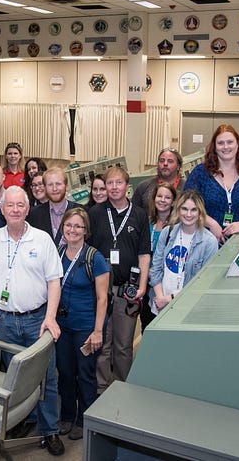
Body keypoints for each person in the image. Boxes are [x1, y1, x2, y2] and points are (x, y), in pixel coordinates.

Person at [0, 186, 65, 456]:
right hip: (4, 320)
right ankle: (25, 420)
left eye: (20, 205)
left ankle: (50, 430)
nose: (14, 210)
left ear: (27, 209)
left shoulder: (42, 239)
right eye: (10, 205)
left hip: (37, 320)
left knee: (46, 377)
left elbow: (54, 282)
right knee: (14, 378)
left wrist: (50, 317)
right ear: (2, 210)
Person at [87, 166, 151, 391]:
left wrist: (142, 286)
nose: (114, 188)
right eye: (110, 184)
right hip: (101, 290)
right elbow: (88, 251)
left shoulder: (140, 215)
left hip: (127, 290)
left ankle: (124, 389)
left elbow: (144, 254)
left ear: (127, 186)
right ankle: (102, 389)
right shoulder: (95, 214)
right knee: (102, 343)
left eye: (118, 183)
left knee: (123, 345)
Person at [55, 207, 110, 441]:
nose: (72, 230)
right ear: (63, 227)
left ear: (85, 230)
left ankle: (83, 418)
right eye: (69, 225)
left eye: (78, 226)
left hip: (86, 328)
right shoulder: (57, 253)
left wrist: (98, 331)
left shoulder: (94, 258)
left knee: (85, 374)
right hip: (62, 326)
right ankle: (67, 415)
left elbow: (102, 298)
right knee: (65, 373)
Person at [184, 124, 239, 244]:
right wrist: (211, 223)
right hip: (205, 240)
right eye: (221, 143)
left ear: (238, 144)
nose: (226, 147)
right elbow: (186, 204)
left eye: (230, 142)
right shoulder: (200, 172)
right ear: (214, 146)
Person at [148, 190, 218, 315]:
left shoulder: (209, 242)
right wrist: (160, 298)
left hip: (188, 308)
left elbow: (204, 282)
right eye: (184, 209)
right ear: (178, 210)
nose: (188, 214)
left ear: (200, 212)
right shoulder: (167, 232)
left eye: (194, 210)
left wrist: (170, 299)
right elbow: (156, 268)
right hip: (160, 305)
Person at [27, 167, 81, 245]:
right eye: (50, 185)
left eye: (58, 184)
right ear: (45, 187)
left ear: (66, 186)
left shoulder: (81, 212)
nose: (54, 189)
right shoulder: (34, 214)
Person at [131, 148, 185, 214]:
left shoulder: (187, 187)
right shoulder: (144, 187)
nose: (165, 164)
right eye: (162, 161)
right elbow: (133, 214)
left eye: (170, 161)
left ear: (178, 166)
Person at [148, 183, 177, 253]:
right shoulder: (147, 222)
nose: (162, 200)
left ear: (173, 202)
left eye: (167, 197)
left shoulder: (176, 226)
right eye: (159, 196)